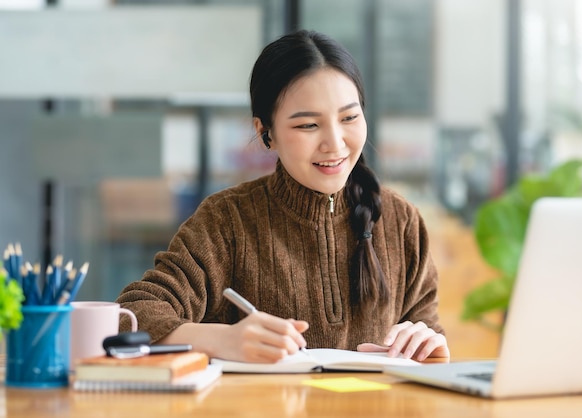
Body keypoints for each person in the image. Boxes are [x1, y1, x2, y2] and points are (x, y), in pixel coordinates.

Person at [116, 29, 449, 364]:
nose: (335, 143)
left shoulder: (401, 221)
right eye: (307, 126)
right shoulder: (227, 221)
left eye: (349, 117)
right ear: (266, 133)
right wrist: (222, 340)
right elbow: (130, 315)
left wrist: (428, 346)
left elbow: (429, 348)